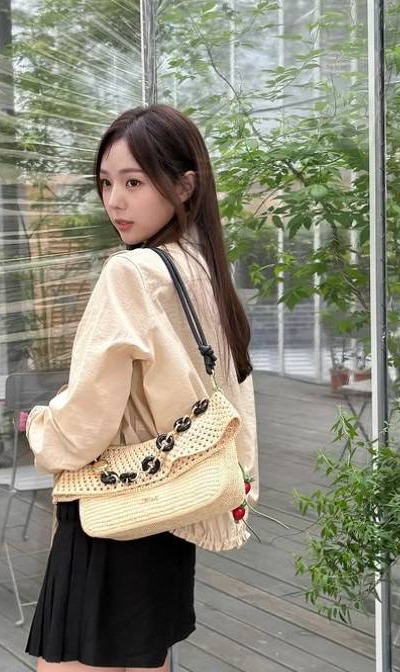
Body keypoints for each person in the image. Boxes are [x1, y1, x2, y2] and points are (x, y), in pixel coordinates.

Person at [24, 104, 259, 671]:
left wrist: (42, 430)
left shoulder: (129, 273)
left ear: (184, 186)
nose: (115, 202)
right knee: (146, 658)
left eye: (134, 182)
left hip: (114, 505)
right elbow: (234, 394)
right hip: (172, 503)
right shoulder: (203, 268)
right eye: (106, 183)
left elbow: (87, 419)